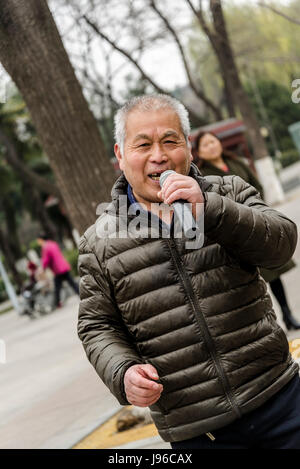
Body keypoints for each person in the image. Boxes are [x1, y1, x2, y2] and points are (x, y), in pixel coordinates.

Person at [77, 94, 300, 449]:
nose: (159, 155)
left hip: (280, 399)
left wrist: (210, 208)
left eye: (170, 141)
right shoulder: (99, 242)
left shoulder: (228, 192)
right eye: (143, 144)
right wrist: (122, 372)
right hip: (197, 430)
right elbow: (96, 326)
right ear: (120, 156)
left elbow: (281, 246)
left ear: (189, 149)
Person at [192, 130, 300, 331]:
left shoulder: (236, 163)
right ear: (198, 152)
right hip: (232, 233)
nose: (211, 146)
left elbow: (256, 185)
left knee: (274, 276)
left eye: (213, 141)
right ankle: (268, 325)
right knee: (251, 281)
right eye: (205, 145)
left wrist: (259, 210)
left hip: (256, 225)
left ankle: (287, 314)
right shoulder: (203, 175)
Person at [37, 234, 79, 308]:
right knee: (72, 283)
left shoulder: (45, 247)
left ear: (41, 240)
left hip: (58, 270)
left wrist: (42, 269)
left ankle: (57, 303)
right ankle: (81, 295)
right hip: (64, 266)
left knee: (57, 288)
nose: (38, 242)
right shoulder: (53, 243)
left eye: (38, 240)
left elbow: (46, 260)